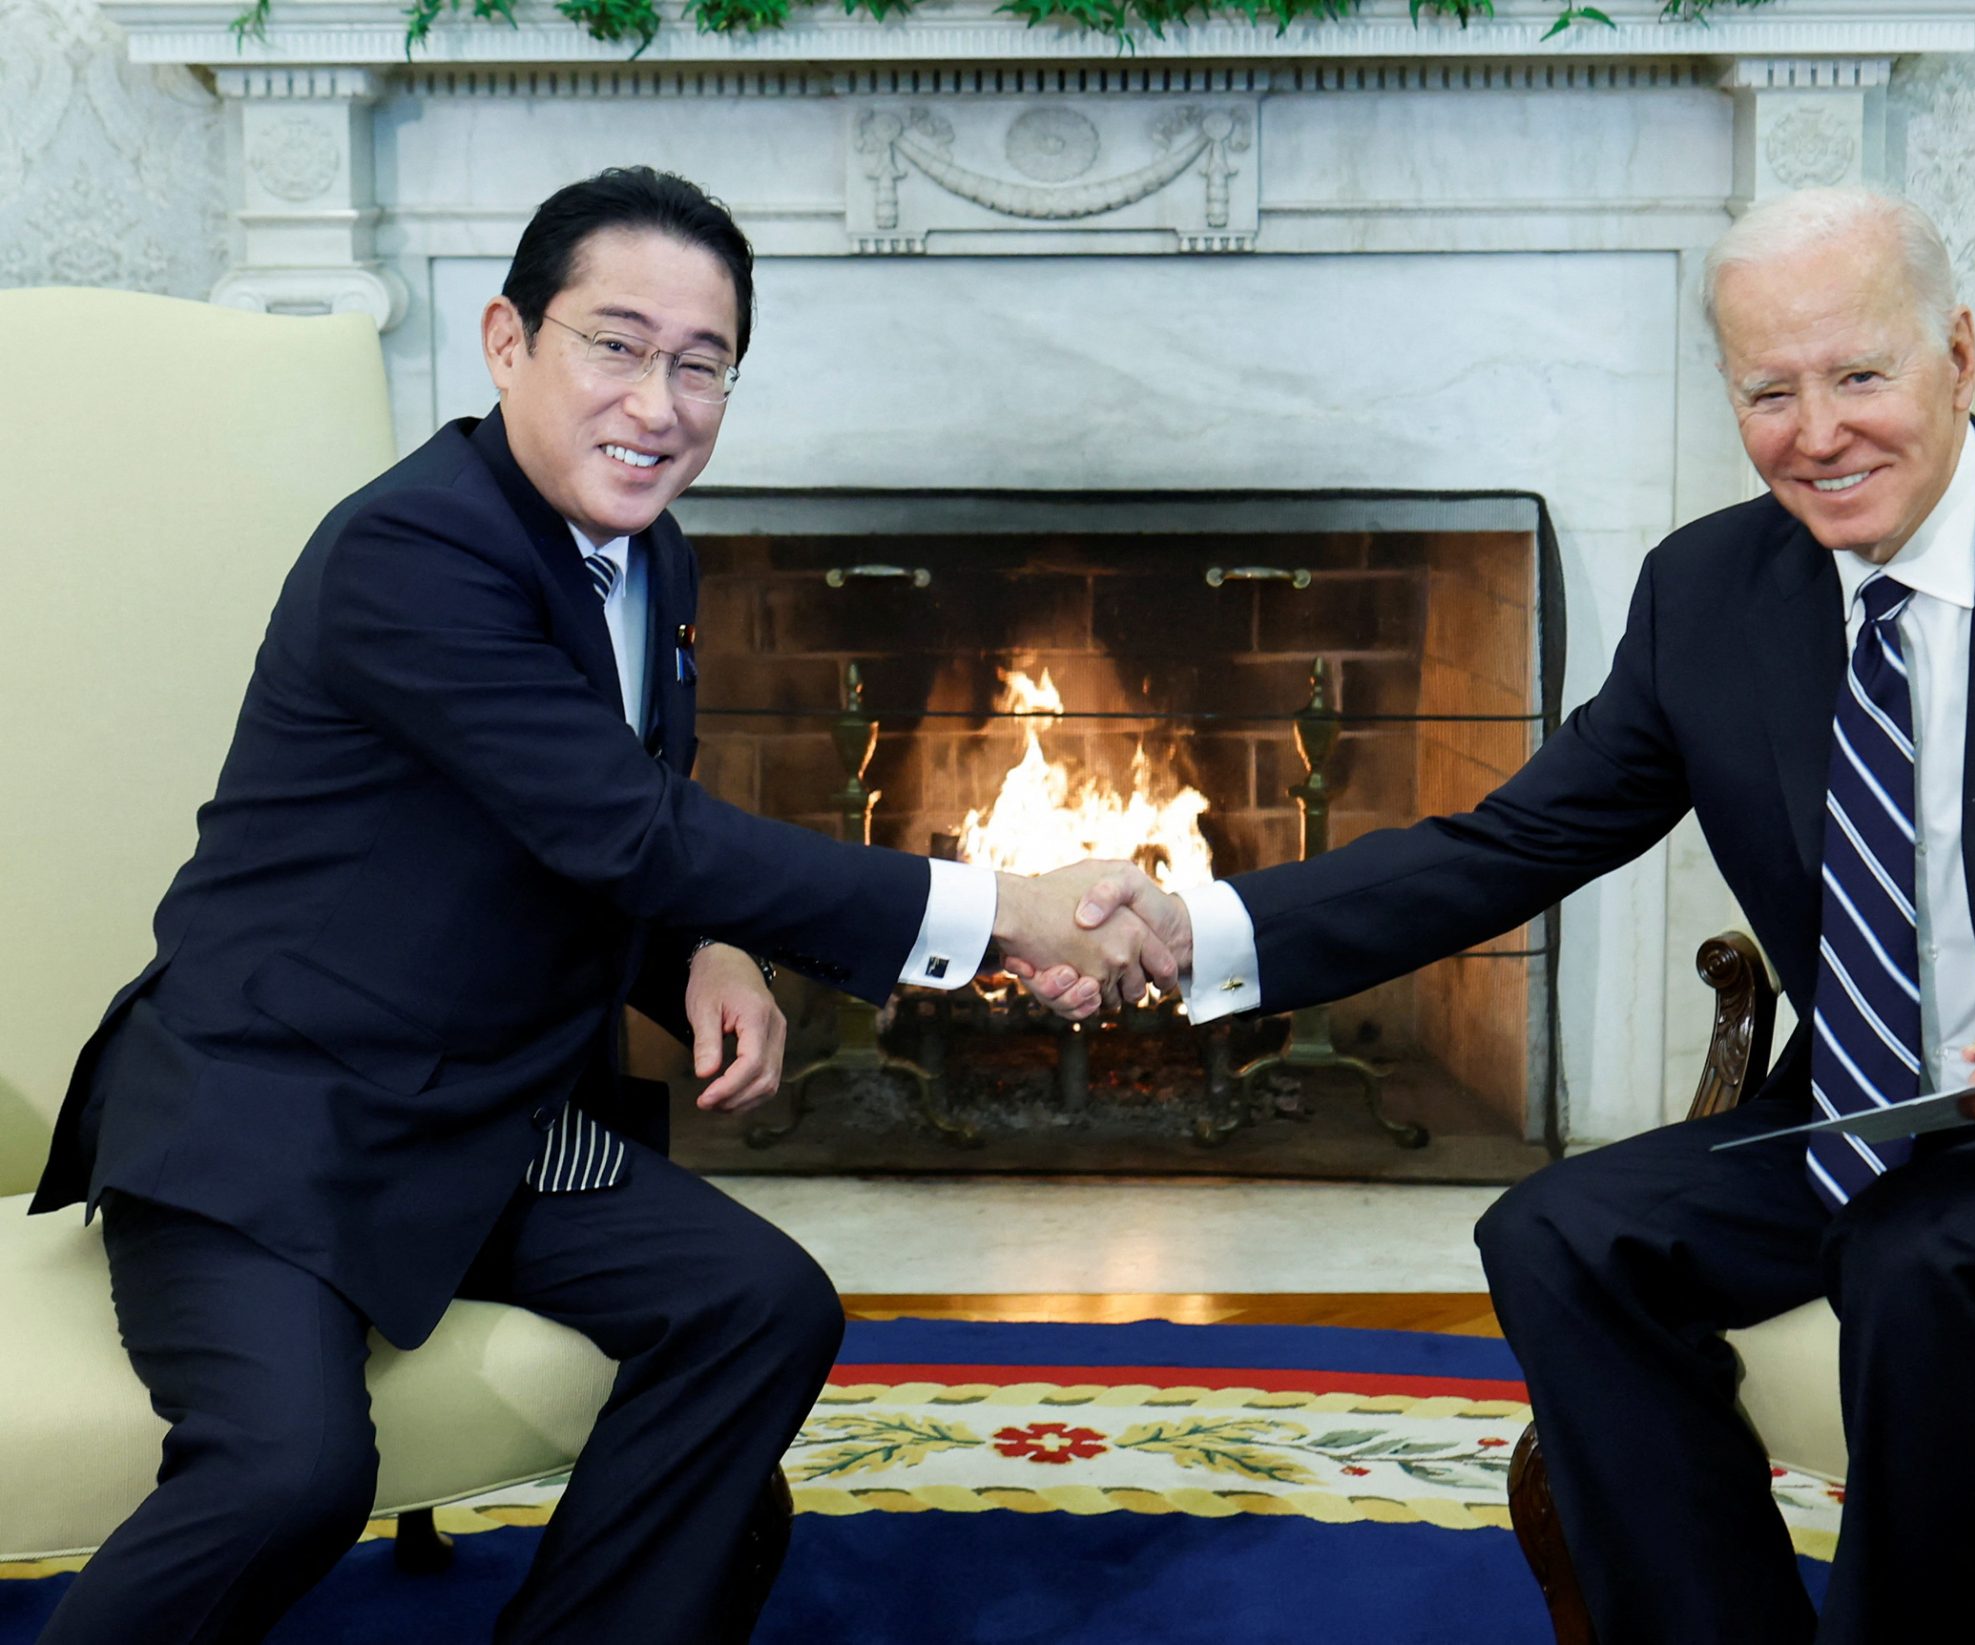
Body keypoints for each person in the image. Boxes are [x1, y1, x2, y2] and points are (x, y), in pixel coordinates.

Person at [1053, 187, 1975, 1641]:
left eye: (1860, 375)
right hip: (1874, 1114)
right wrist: (1193, 929)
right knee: (1557, 1230)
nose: (1818, 432)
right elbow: (1511, 842)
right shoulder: (1710, 592)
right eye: (1769, 392)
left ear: (1959, 356)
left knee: (1921, 1255)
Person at [28, 166, 1159, 1645]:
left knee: (762, 1307)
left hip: (490, 1121)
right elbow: (627, 822)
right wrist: (1003, 906)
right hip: (273, 1116)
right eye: (615, 344)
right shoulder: (414, 552)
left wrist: (701, 943)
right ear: (508, 342)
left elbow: (574, 829)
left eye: (703, 363)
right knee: (289, 1471)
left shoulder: (646, 548)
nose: (661, 399)